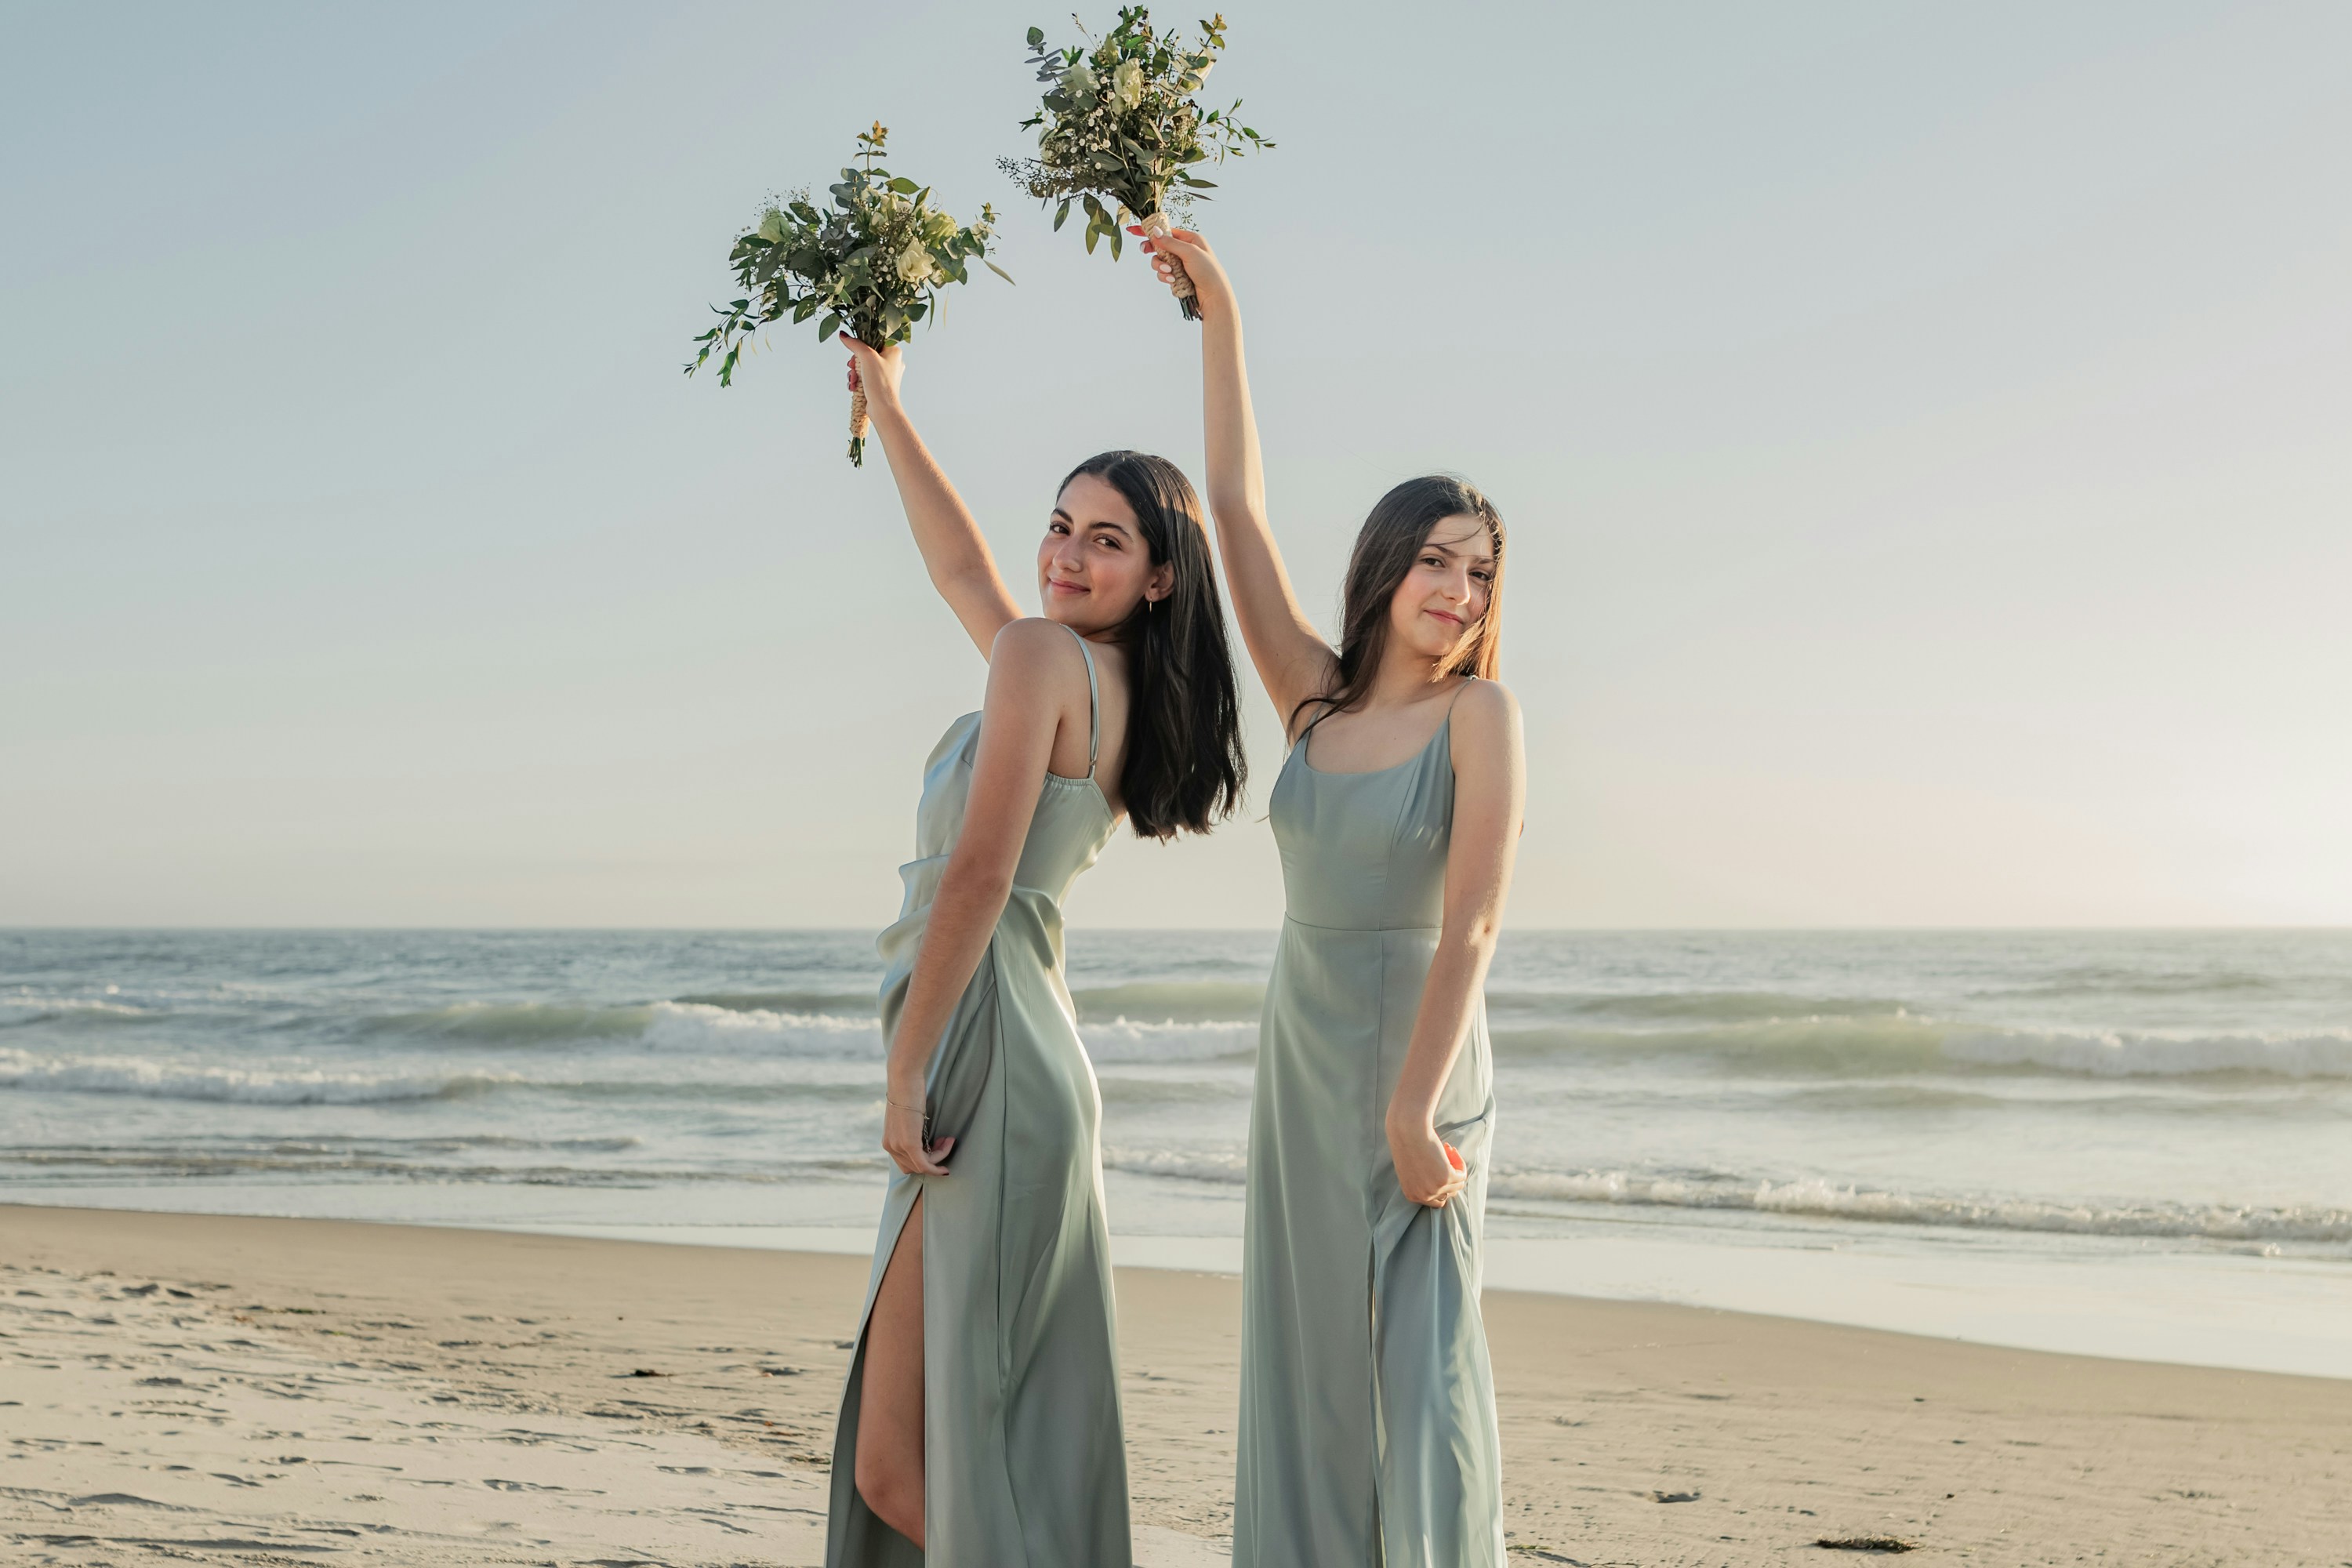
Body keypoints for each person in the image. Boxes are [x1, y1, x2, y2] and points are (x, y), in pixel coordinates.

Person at [824, 332, 1247, 1567]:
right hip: (1024, 1055)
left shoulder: (1041, 661)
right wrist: (890, 406)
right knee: (952, 1448)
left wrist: (907, 1072)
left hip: (984, 1048)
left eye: (1106, 540)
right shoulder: (1087, 674)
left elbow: (978, 876)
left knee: (902, 1462)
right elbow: (961, 562)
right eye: (1059, 525)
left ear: (1160, 578)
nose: (1064, 553)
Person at [1141, 227, 1526, 1566]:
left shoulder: (1484, 715)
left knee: (1424, 1390)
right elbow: (1234, 511)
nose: (1459, 590)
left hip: (1423, 1065)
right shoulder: (1314, 696)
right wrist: (1219, 311)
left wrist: (1414, 1107)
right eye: (1438, 561)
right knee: (1308, 1376)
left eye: (1479, 572)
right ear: (1386, 567)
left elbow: (1472, 918)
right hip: (1303, 1061)